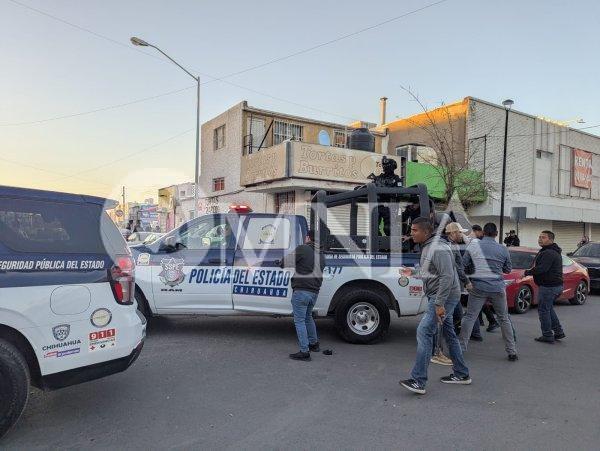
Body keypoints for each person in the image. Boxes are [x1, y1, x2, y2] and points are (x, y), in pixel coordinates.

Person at [400, 218, 471, 395]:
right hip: (442, 295)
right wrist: (413, 272)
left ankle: (418, 381)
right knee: (449, 333)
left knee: (424, 332)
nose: (411, 233)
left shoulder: (437, 247)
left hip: (443, 296)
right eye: (411, 230)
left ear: (425, 232)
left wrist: (439, 303)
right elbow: (432, 271)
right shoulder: (429, 246)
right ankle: (462, 374)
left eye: (415, 230)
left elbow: (447, 276)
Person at [459, 223, 518, 361]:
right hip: (497, 288)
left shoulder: (474, 246)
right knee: (504, 318)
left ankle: (460, 348)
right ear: (496, 234)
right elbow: (508, 270)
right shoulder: (503, 249)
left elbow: (463, 264)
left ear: (483, 233)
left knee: (470, 317)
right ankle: (512, 351)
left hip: (478, 287)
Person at [430, 222, 472, 366]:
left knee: (446, 323)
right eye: (460, 232)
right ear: (453, 233)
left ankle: (445, 354)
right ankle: (437, 352)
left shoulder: (443, 245)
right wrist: (466, 281)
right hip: (447, 291)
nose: (462, 235)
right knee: (440, 322)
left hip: (444, 290)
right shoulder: (451, 247)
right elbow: (458, 268)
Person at [282, 229, 326, 361]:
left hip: (302, 291)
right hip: (314, 292)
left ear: (308, 238)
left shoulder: (303, 248)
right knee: (308, 317)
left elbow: (286, 262)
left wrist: (279, 263)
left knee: (299, 320)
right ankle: (314, 344)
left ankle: (304, 351)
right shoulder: (322, 254)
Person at [525, 230, 565, 343]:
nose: (540, 239)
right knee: (548, 309)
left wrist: (527, 272)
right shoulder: (549, 251)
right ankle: (558, 332)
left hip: (549, 287)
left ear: (551, 240)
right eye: (539, 237)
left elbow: (542, 268)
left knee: (543, 310)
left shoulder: (549, 253)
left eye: (543, 237)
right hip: (554, 286)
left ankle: (547, 335)